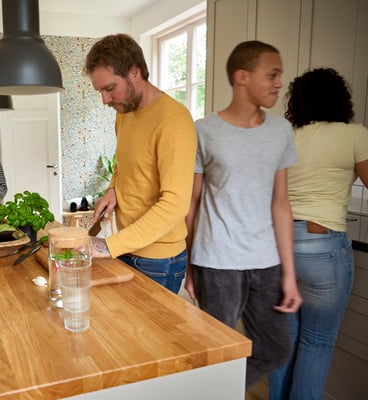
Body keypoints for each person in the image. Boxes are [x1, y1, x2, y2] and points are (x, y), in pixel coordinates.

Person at [184, 40, 303, 388]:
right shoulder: (204, 131)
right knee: (217, 354)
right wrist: (191, 268)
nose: (279, 83)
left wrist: (289, 275)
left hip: (266, 262)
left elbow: (281, 203)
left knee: (275, 348)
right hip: (217, 261)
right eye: (272, 74)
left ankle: (214, 394)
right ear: (242, 77)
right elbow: (192, 203)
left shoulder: (280, 131)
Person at [268, 68, 368, 399]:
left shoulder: (285, 137)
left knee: (285, 341)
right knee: (317, 343)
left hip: (279, 246)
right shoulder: (355, 135)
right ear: (342, 100)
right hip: (323, 248)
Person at [84, 33, 198, 294]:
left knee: (151, 335)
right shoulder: (125, 114)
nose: (104, 100)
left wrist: (107, 246)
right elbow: (124, 165)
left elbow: (175, 205)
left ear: (135, 72)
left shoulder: (174, 120)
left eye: (109, 88)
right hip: (125, 246)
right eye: (100, 91)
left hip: (158, 260)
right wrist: (113, 188)